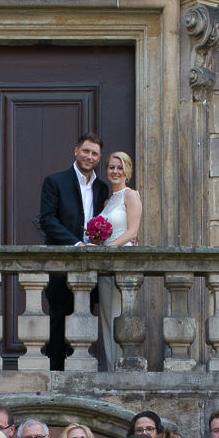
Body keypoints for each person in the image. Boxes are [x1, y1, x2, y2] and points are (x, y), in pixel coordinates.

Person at [38, 132, 110, 370]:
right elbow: (48, 220)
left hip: (90, 267)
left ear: (99, 157)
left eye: (94, 153)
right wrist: (76, 244)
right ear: (76, 151)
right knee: (58, 321)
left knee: (84, 321)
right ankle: (56, 376)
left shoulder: (102, 188)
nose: (89, 156)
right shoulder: (55, 182)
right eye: (86, 151)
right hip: (61, 264)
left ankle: (80, 373)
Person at [86, 151, 143, 366]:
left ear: (127, 170)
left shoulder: (131, 195)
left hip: (121, 261)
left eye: (120, 167)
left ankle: (122, 367)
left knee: (119, 316)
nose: (115, 171)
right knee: (106, 318)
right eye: (111, 167)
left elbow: (132, 232)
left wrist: (107, 248)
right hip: (105, 265)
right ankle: (111, 368)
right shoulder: (108, 201)